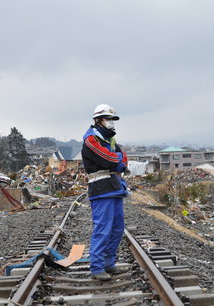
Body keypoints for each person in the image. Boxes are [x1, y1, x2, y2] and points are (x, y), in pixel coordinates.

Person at [81, 104, 129, 281]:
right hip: (101, 190)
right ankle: (97, 267)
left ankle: (109, 264)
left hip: (115, 188)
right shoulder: (91, 140)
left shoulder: (110, 140)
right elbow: (108, 159)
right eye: (108, 119)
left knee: (117, 229)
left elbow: (123, 160)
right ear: (98, 120)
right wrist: (116, 161)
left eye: (112, 119)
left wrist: (117, 161)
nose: (111, 122)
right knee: (103, 229)